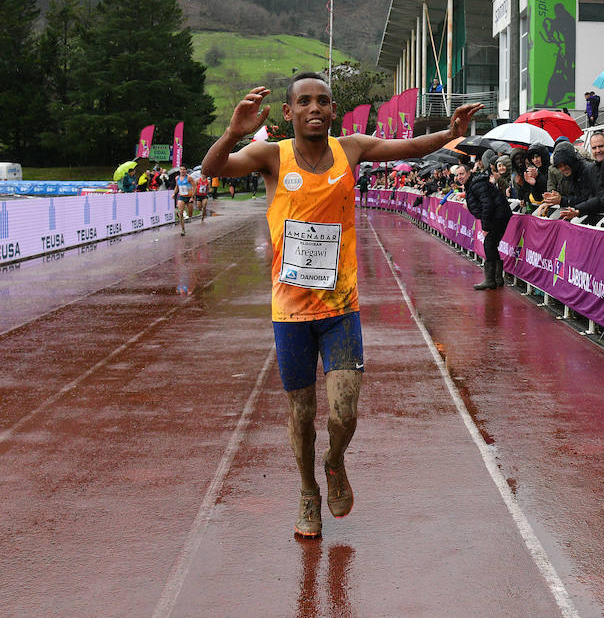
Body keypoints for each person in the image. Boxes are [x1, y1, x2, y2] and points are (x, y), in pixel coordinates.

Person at [200, 73, 481, 538]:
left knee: (344, 413)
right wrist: (233, 132)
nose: (315, 108)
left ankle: (333, 462)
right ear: (288, 113)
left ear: (333, 111)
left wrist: (450, 134)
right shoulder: (271, 155)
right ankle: (308, 490)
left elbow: (408, 149)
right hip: (290, 313)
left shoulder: (350, 148)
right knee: (302, 413)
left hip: (340, 307)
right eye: (304, 101)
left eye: (324, 101)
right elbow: (212, 170)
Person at [456, 162, 511, 290]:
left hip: (498, 215)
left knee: (489, 244)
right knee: (491, 244)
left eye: (462, 174)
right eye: (457, 175)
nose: (459, 177)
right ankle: (497, 279)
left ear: (469, 173)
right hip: (499, 214)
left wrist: (485, 227)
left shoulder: (477, 184)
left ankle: (491, 280)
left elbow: (488, 205)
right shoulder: (472, 184)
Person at [173, 168, 195, 235]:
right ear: (180, 170)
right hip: (181, 196)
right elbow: (177, 187)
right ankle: (183, 230)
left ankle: (189, 217)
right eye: (181, 169)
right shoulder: (177, 178)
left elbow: (194, 186)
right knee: (180, 212)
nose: (182, 171)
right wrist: (174, 193)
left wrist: (192, 197)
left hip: (189, 197)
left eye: (184, 169)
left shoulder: (189, 178)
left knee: (190, 213)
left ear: (186, 171)